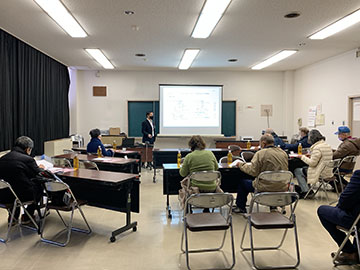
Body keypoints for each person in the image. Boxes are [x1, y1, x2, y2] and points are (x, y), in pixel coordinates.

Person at [234, 134, 288, 213]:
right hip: (282, 187)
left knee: (243, 183)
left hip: (264, 187)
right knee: (273, 181)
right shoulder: (283, 153)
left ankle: (240, 207)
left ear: (263, 143)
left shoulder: (261, 153)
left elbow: (253, 171)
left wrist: (241, 165)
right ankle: (273, 206)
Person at [317, 170, 360, 265]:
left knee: (322, 211)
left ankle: (349, 252)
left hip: (355, 221)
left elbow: (345, 200)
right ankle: (356, 251)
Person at [0, 136, 44, 224]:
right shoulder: (28, 159)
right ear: (28, 149)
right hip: (22, 196)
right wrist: (41, 168)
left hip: (3, 195)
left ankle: (13, 217)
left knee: (13, 186)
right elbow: (39, 174)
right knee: (39, 187)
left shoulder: (2, 159)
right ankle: (27, 216)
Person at [293, 129, 333, 198]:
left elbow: (312, 163)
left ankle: (305, 191)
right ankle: (307, 189)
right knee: (304, 169)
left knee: (297, 170)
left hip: (320, 172)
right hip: (328, 171)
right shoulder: (326, 145)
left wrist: (301, 157)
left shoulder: (317, 148)